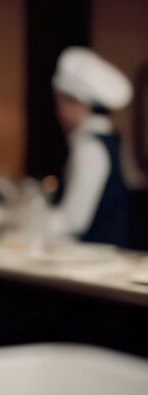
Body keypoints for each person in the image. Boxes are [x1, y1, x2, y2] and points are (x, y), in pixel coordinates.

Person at [46, 46, 133, 247]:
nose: (58, 112)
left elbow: (73, 220)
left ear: (79, 104)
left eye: (60, 103)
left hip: (94, 262)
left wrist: (24, 223)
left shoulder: (90, 146)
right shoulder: (102, 138)